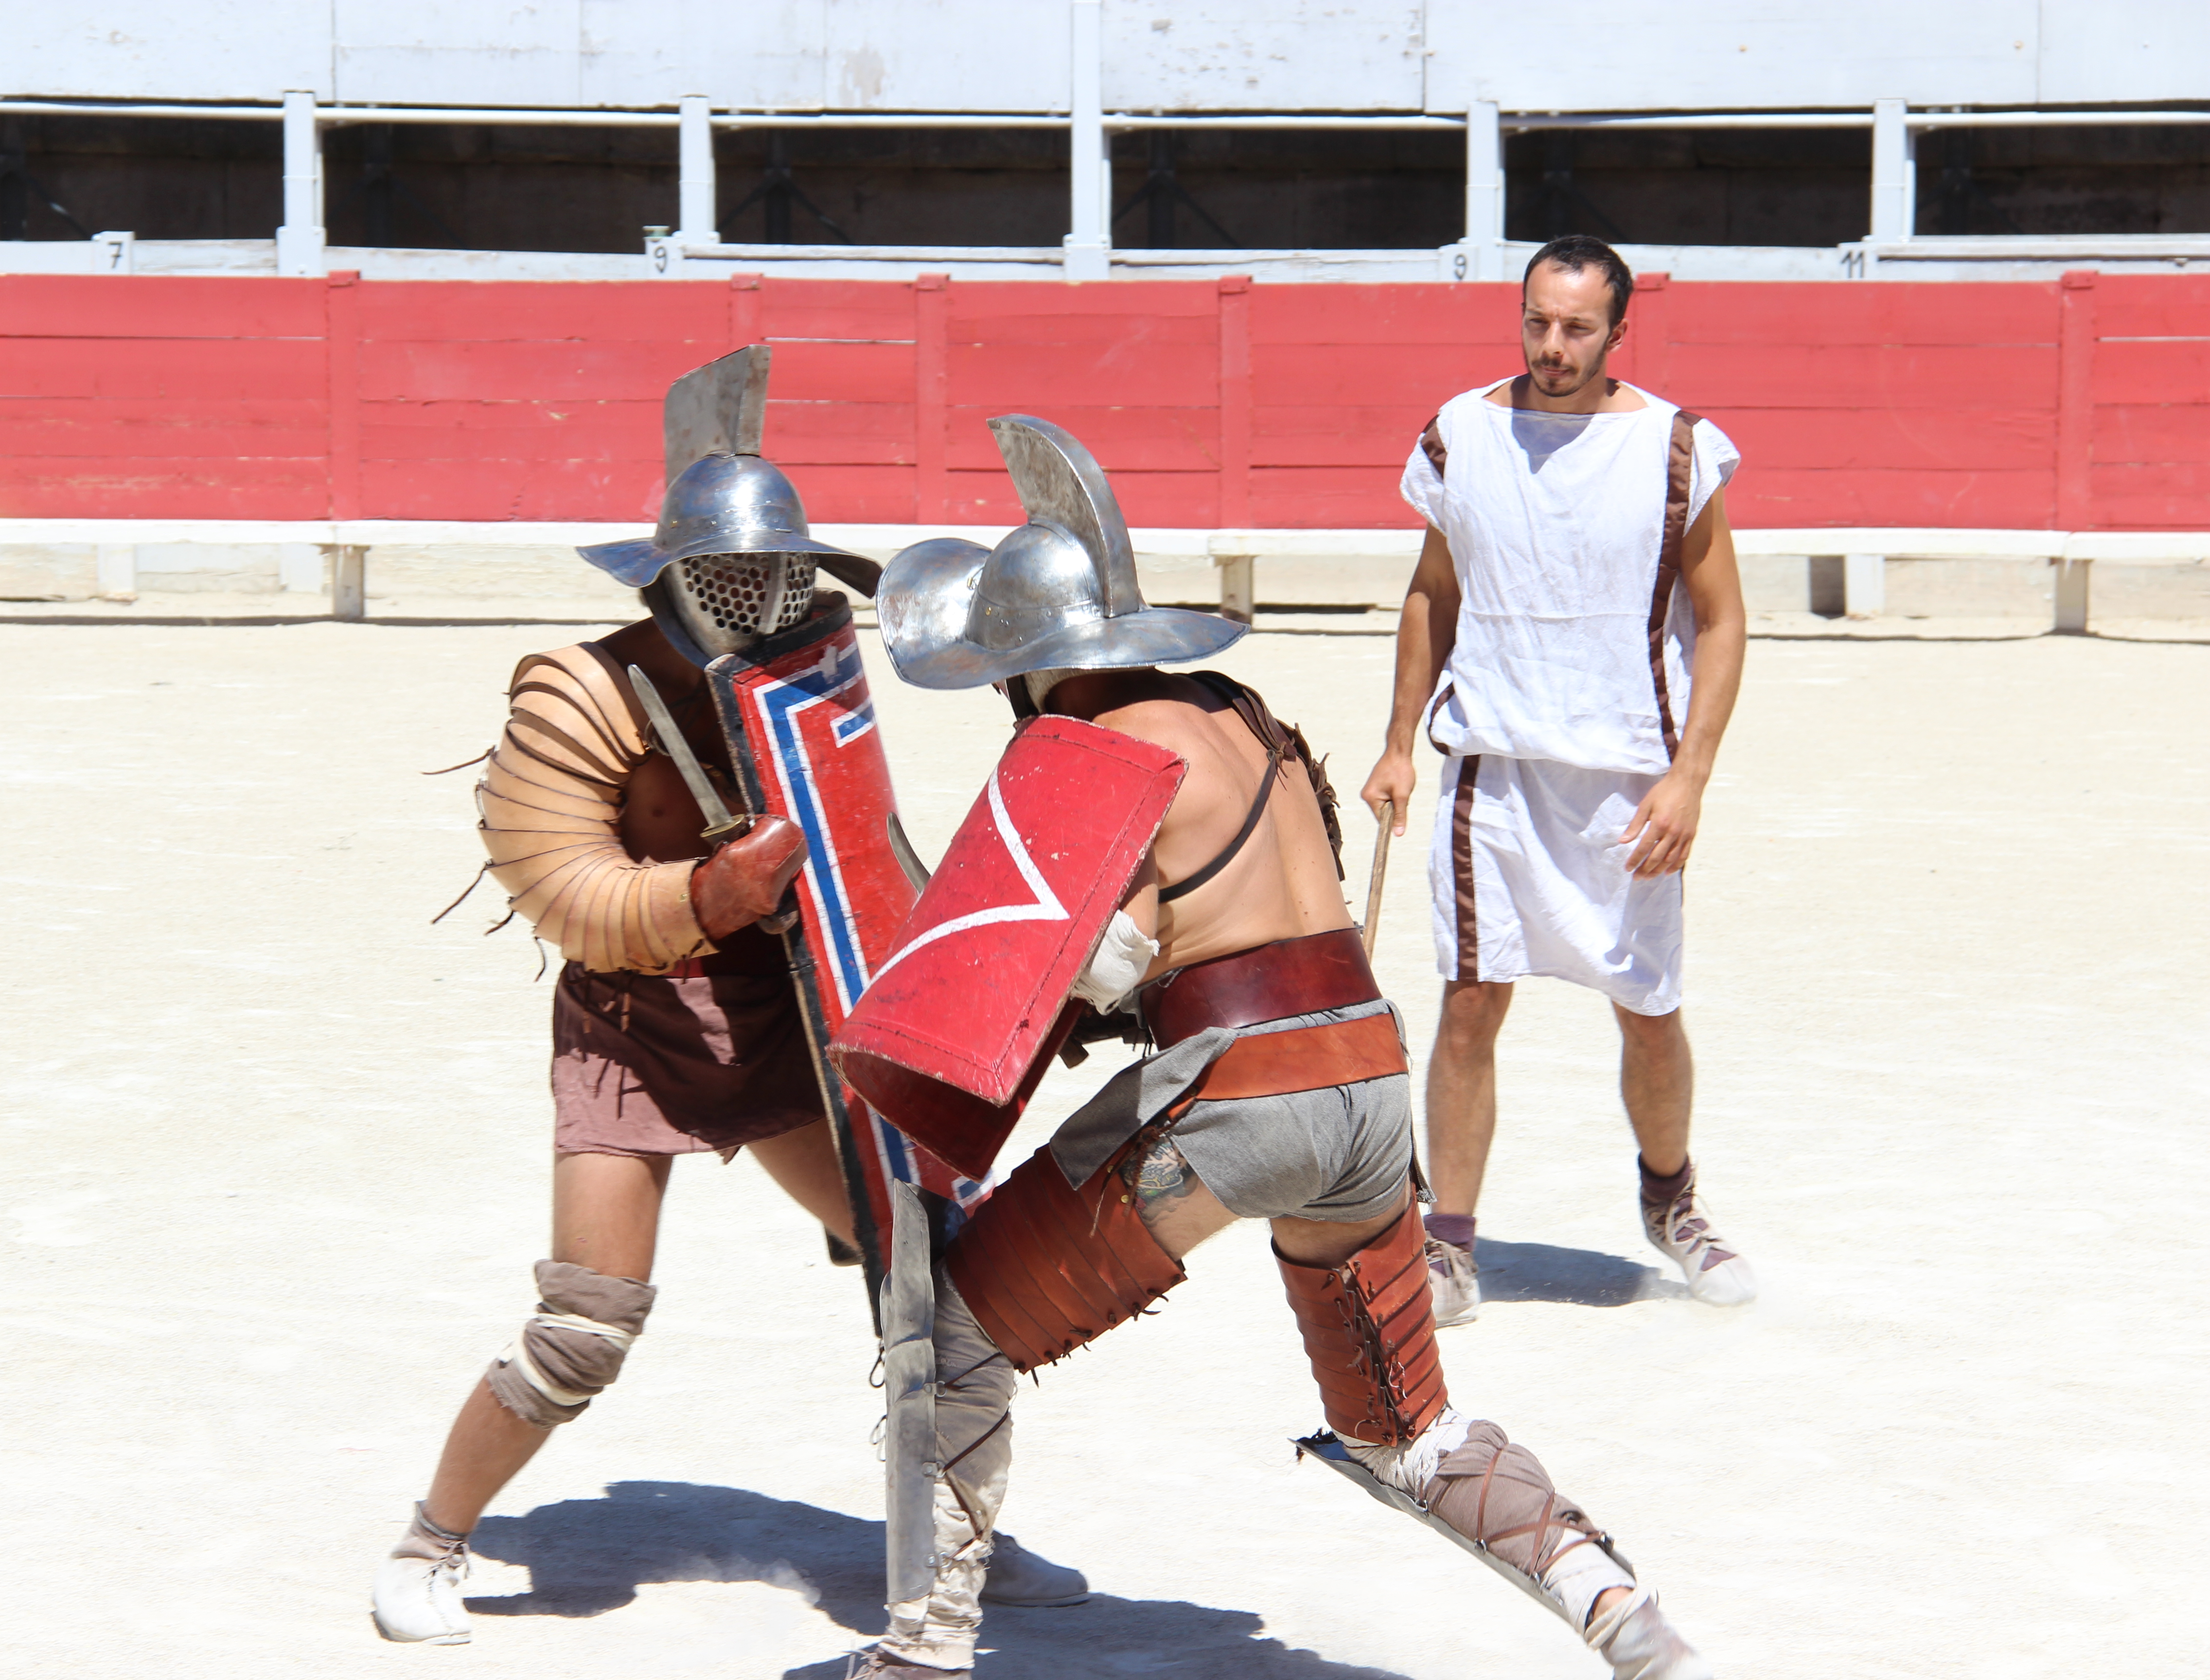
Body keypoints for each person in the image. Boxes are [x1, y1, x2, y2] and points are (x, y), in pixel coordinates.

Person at [839, 413, 1712, 1679]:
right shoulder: (1243, 712)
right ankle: (1609, 1599)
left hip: (1234, 1094)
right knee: (1405, 1429)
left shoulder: (1084, 746)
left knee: (954, 1332)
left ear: (1032, 665)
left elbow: (1100, 962)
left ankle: (919, 1656)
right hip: (1365, 1085)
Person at [370, 350, 1085, 1645]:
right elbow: (555, 883)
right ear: (665, 577)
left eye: (774, 574)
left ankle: (956, 1540)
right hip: (634, 1038)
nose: (755, 597)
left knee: (936, 1264)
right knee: (584, 1326)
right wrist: (702, 894)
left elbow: (866, 851)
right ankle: (434, 1538)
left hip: (788, 1027)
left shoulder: (808, 676)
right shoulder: (580, 692)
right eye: (729, 575)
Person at [1358, 234, 1758, 1326]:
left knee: (1647, 1010)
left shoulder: (1677, 448)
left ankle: (1670, 1198)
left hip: (1631, 779)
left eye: (1578, 327)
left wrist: (1692, 778)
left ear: (1618, 331)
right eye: (1538, 320)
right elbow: (1431, 596)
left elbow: (1722, 622)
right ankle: (1449, 1245)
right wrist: (1399, 741)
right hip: (1495, 767)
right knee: (1472, 1002)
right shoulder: (1462, 435)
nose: (1553, 344)